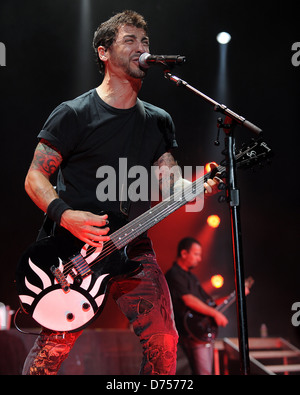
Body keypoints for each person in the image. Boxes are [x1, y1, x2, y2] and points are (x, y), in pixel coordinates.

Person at [21, 10, 221, 375]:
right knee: (52, 349)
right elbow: (35, 177)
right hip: (73, 248)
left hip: (133, 246)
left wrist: (193, 189)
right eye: (130, 40)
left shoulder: (158, 120)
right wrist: (65, 214)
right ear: (103, 52)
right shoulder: (73, 114)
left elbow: (167, 182)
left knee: (165, 342)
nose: (141, 48)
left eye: (145, 41)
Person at [165, 237, 229, 375]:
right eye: (196, 254)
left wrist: (235, 295)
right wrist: (215, 314)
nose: (199, 259)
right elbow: (189, 300)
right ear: (184, 253)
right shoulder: (174, 275)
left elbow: (210, 303)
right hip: (189, 333)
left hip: (200, 333)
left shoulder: (193, 278)